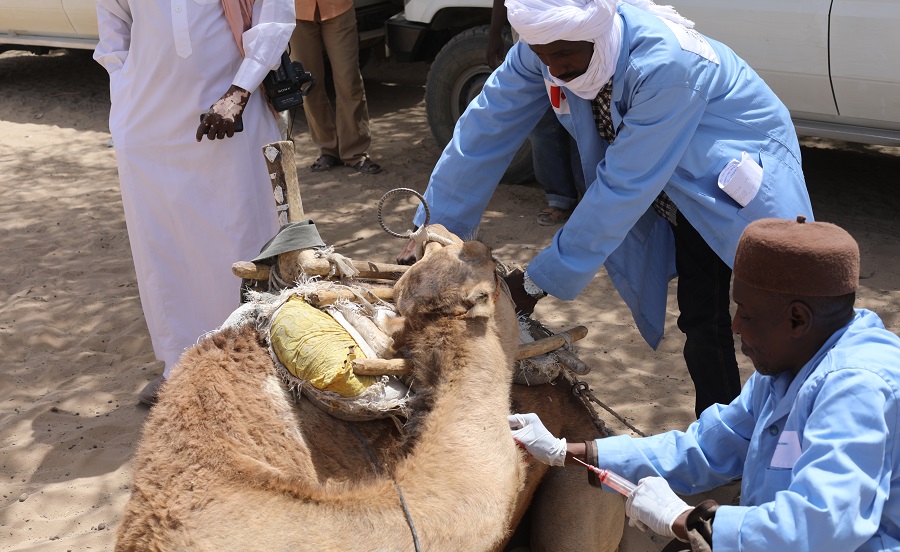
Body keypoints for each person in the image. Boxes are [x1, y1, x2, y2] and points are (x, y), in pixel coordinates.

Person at [399, 0, 813, 417]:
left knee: (775, 321)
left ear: (596, 34)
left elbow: (623, 184)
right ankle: (722, 438)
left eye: (563, 55)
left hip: (731, 185)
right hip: (673, 190)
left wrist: (537, 280)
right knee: (703, 319)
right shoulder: (542, 46)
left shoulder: (668, 64)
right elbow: (483, 129)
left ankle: (794, 430)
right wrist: (434, 232)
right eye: (544, 57)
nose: (554, 68)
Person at [510, 216, 900, 552]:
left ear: (797, 318)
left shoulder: (856, 389)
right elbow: (705, 447)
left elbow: (818, 530)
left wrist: (683, 519)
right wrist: (569, 451)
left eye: (746, 313)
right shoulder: (791, 365)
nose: (734, 326)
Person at [94, 0, 295, 404]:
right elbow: (113, 28)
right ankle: (180, 365)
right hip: (148, 125)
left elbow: (275, 18)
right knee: (163, 243)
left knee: (241, 234)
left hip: (230, 115)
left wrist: (240, 92)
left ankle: (253, 360)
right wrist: (126, 93)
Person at [488, 0, 585, 226]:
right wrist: (494, 32)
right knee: (543, 126)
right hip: (532, 50)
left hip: (571, 43)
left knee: (579, 123)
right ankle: (559, 200)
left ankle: (590, 201)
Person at [290, 0, 381, 174]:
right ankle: (328, 149)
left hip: (338, 7)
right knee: (308, 85)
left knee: (349, 81)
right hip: (296, 11)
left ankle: (355, 152)